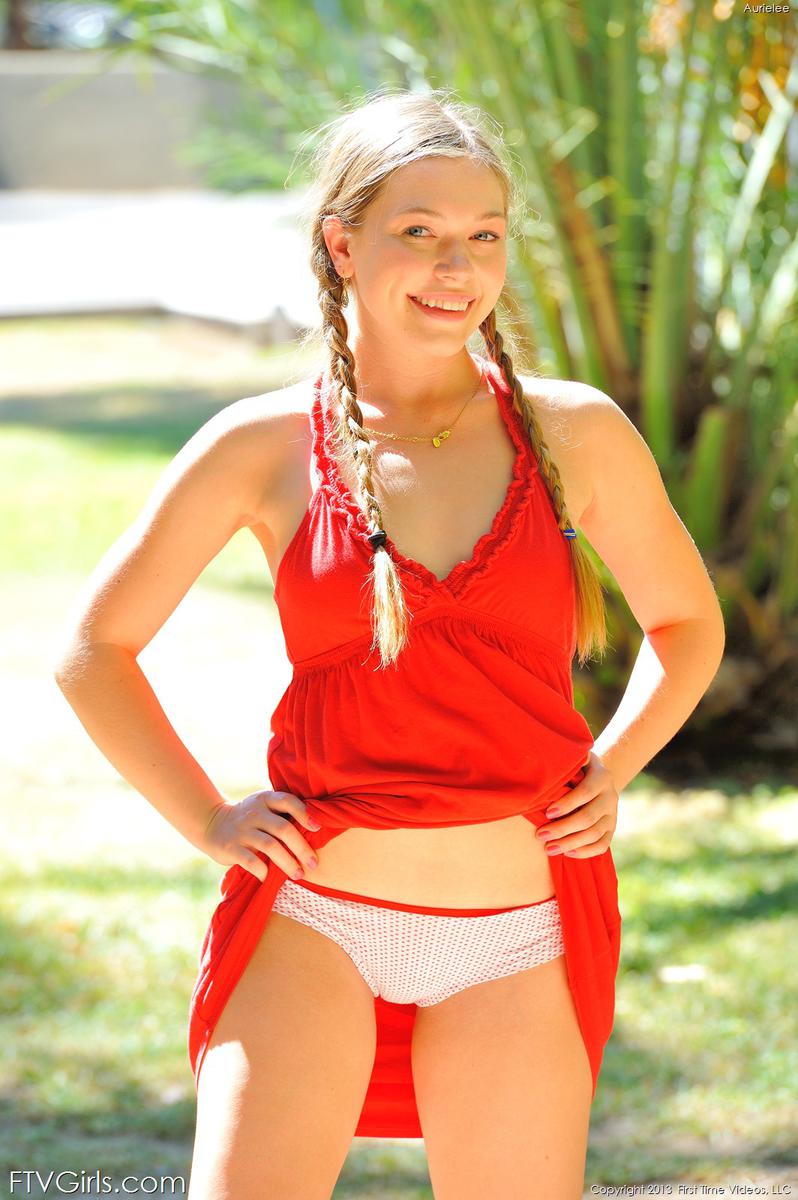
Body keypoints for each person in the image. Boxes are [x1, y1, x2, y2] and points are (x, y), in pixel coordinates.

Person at [54, 88, 726, 1199]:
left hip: (518, 934)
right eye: (419, 231)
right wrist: (211, 820)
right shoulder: (266, 443)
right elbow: (94, 650)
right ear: (342, 244)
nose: (457, 267)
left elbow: (687, 622)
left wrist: (615, 766)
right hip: (311, 920)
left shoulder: (574, 432)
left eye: (485, 237)